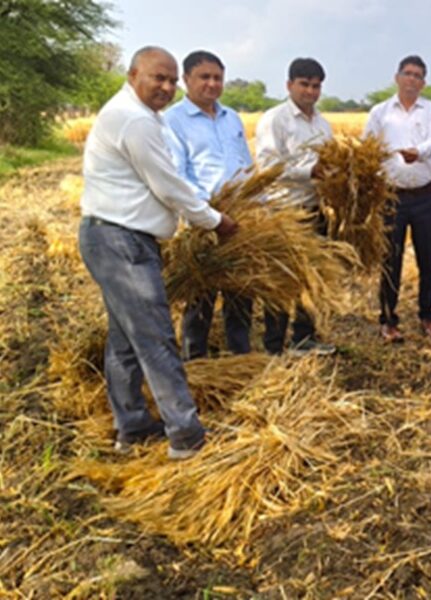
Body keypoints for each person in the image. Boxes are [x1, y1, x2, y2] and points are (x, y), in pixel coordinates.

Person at [79, 46, 238, 460]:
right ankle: (186, 436)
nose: (166, 87)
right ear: (133, 75)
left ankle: (131, 427)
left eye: (170, 80)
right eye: (158, 78)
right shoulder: (134, 121)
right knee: (155, 337)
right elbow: (168, 185)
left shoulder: (135, 114)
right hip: (121, 242)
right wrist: (215, 221)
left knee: (124, 340)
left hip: (114, 237)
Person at [163, 50, 254, 360]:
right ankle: (195, 361)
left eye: (218, 78)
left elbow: (246, 165)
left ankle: (241, 358)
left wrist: (257, 205)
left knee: (241, 292)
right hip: (202, 221)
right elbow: (177, 175)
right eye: (204, 77)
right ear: (186, 80)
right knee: (200, 294)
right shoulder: (173, 120)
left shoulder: (232, 117)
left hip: (240, 219)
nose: (212, 84)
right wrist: (210, 214)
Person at [254, 57, 335, 355]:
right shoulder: (275, 119)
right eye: (304, 84)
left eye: (316, 86)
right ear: (289, 85)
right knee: (281, 280)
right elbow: (268, 166)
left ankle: (305, 337)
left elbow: (329, 163)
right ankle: (274, 346)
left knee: (311, 276)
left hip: (314, 209)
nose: (310, 92)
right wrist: (308, 172)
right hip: (283, 210)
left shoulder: (323, 124)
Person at [363, 55, 431, 343]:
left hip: (425, 197)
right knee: (390, 260)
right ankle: (388, 320)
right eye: (407, 73)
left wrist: (418, 152)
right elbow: (368, 149)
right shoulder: (380, 112)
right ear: (397, 77)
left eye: (418, 75)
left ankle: (427, 316)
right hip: (391, 198)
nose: (412, 79)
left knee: (427, 260)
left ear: (424, 82)